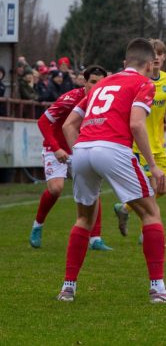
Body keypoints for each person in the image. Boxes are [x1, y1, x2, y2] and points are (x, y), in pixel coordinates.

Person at [58, 38, 166, 303]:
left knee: (84, 219)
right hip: (113, 148)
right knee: (151, 213)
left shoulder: (100, 84)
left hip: (82, 149)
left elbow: (69, 125)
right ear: (150, 64)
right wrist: (153, 165)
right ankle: (158, 288)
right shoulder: (144, 84)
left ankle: (67, 288)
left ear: (124, 63)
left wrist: (80, 152)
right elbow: (137, 125)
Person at [29, 66, 111, 250]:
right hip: (56, 149)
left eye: (101, 82)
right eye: (92, 82)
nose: (96, 86)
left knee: (93, 190)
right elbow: (43, 121)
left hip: (81, 149)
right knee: (56, 189)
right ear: (84, 82)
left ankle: (95, 239)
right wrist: (57, 148)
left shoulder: (104, 101)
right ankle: (37, 226)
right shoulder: (70, 98)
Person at [113, 39, 166, 241]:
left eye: (160, 54)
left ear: (164, 57)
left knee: (162, 189)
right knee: (149, 189)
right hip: (139, 145)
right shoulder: (138, 82)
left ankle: (124, 208)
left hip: (159, 144)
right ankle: (149, 230)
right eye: (154, 54)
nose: (157, 57)